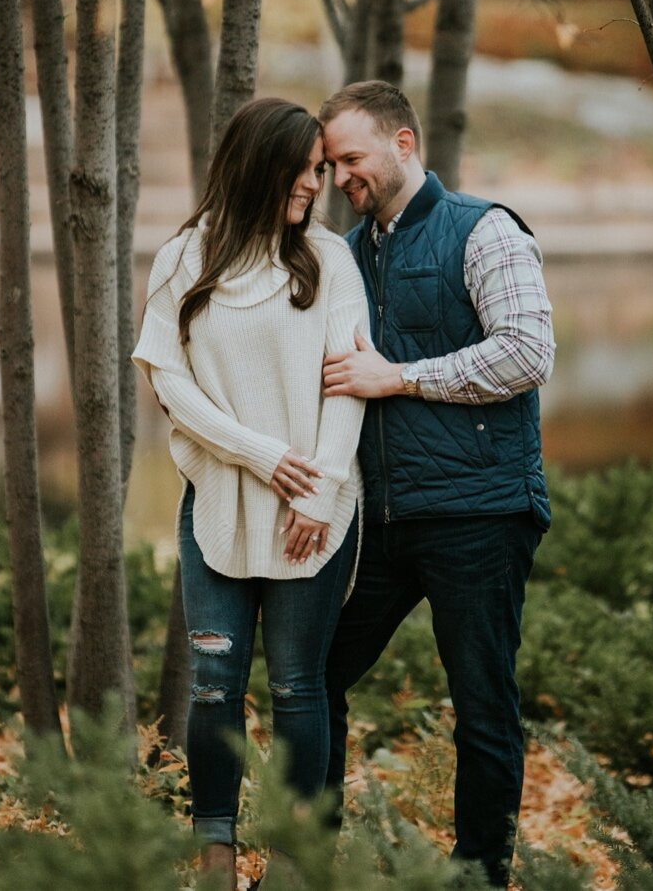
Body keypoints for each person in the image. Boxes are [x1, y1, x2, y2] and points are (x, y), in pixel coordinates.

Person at [312, 80, 554, 889]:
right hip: (379, 522)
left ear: (404, 142)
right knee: (309, 677)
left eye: (352, 157)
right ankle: (309, 860)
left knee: (482, 706)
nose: (341, 175)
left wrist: (400, 378)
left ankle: (477, 877)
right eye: (331, 163)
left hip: (479, 514)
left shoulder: (484, 231)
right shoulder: (345, 253)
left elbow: (527, 353)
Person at [132, 98, 368, 887]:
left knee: (300, 685)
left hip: (313, 513)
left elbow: (348, 386)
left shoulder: (330, 259)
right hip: (221, 508)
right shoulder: (184, 258)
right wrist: (262, 456)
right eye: (305, 168)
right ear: (261, 163)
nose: (316, 184)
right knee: (212, 682)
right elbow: (168, 378)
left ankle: (297, 862)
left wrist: (320, 489)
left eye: (322, 170)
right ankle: (216, 856)